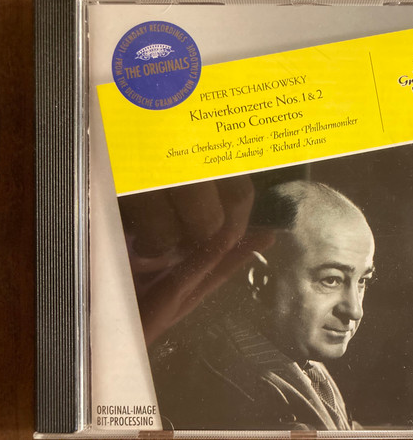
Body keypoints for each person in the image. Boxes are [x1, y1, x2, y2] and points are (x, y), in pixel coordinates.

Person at [150, 180, 375, 430]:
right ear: (260, 279)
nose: (355, 310)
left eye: (362, 281)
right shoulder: (244, 394)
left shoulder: (295, 360)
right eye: (331, 280)